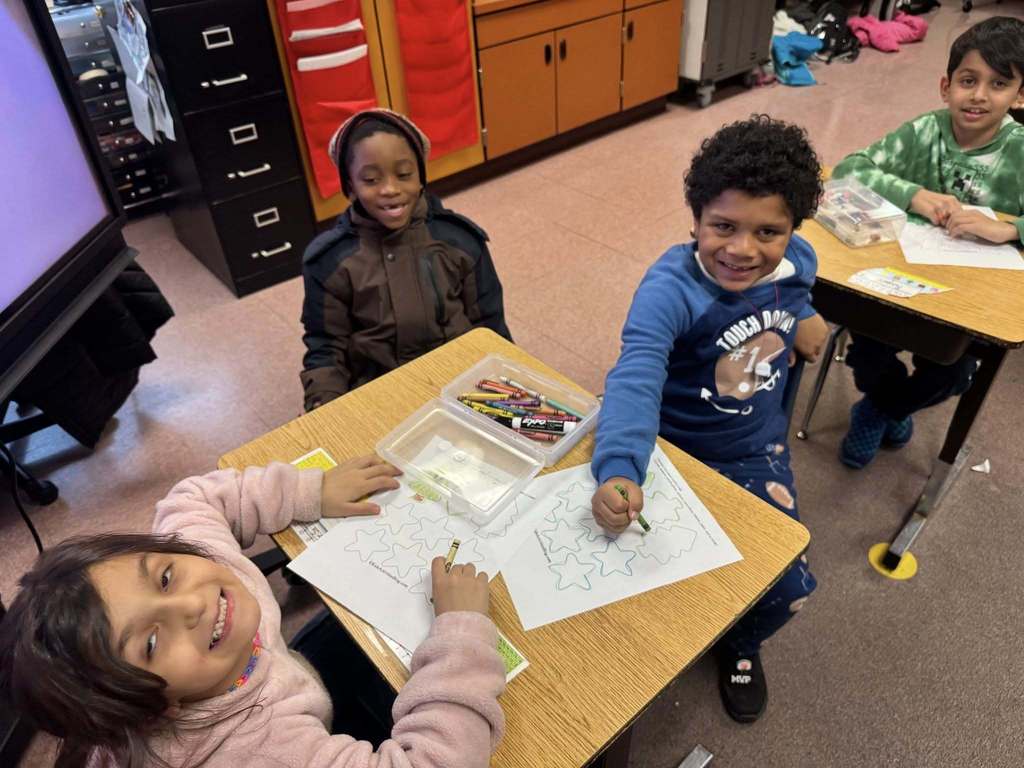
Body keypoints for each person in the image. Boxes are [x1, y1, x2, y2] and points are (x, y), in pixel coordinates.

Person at [0, 456, 505, 768]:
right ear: (158, 709)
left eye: (165, 578)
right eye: (151, 642)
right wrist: (462, 633)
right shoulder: (253, 749)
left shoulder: (199, 565)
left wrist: (311, 492)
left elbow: (194, 497)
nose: (192, 603)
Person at [589, 115, 827, 723]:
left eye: (767, 231)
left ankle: (741, 644)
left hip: (756, 448)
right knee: (646, 578)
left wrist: (804, 318)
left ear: (793, 229)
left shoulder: (798, 258)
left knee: (786, 588)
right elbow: (636, 375)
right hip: (672, 450)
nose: (743, 250)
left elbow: (795, 289)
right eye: (723, 226)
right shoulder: (670, 288)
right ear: (694, 219)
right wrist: (618, 466)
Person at [832, 16, 1024, 468]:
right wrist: (912, 193)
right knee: (869, 351)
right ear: (945, 86)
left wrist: (1011, 227)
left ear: (1020, 96)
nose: (978, 95)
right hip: (898, 280)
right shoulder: (925, 131)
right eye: (968, 80)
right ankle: (885, 400)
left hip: (970, 299)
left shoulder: (1020, 150)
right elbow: (849, 170)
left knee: (953, 373)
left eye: (999, 84)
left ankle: (882, 408)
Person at [300, 109, 511, 412]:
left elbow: (489, 325)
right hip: (380, 394)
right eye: (371, 179)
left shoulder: (460, 240)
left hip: (465, 382)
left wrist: (506, 381)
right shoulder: (329, 260)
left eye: (404, 174)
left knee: (551, 434)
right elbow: (325, 348)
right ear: (350, 185)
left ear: (421, 176)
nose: (390, 189)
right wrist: (324, 410)